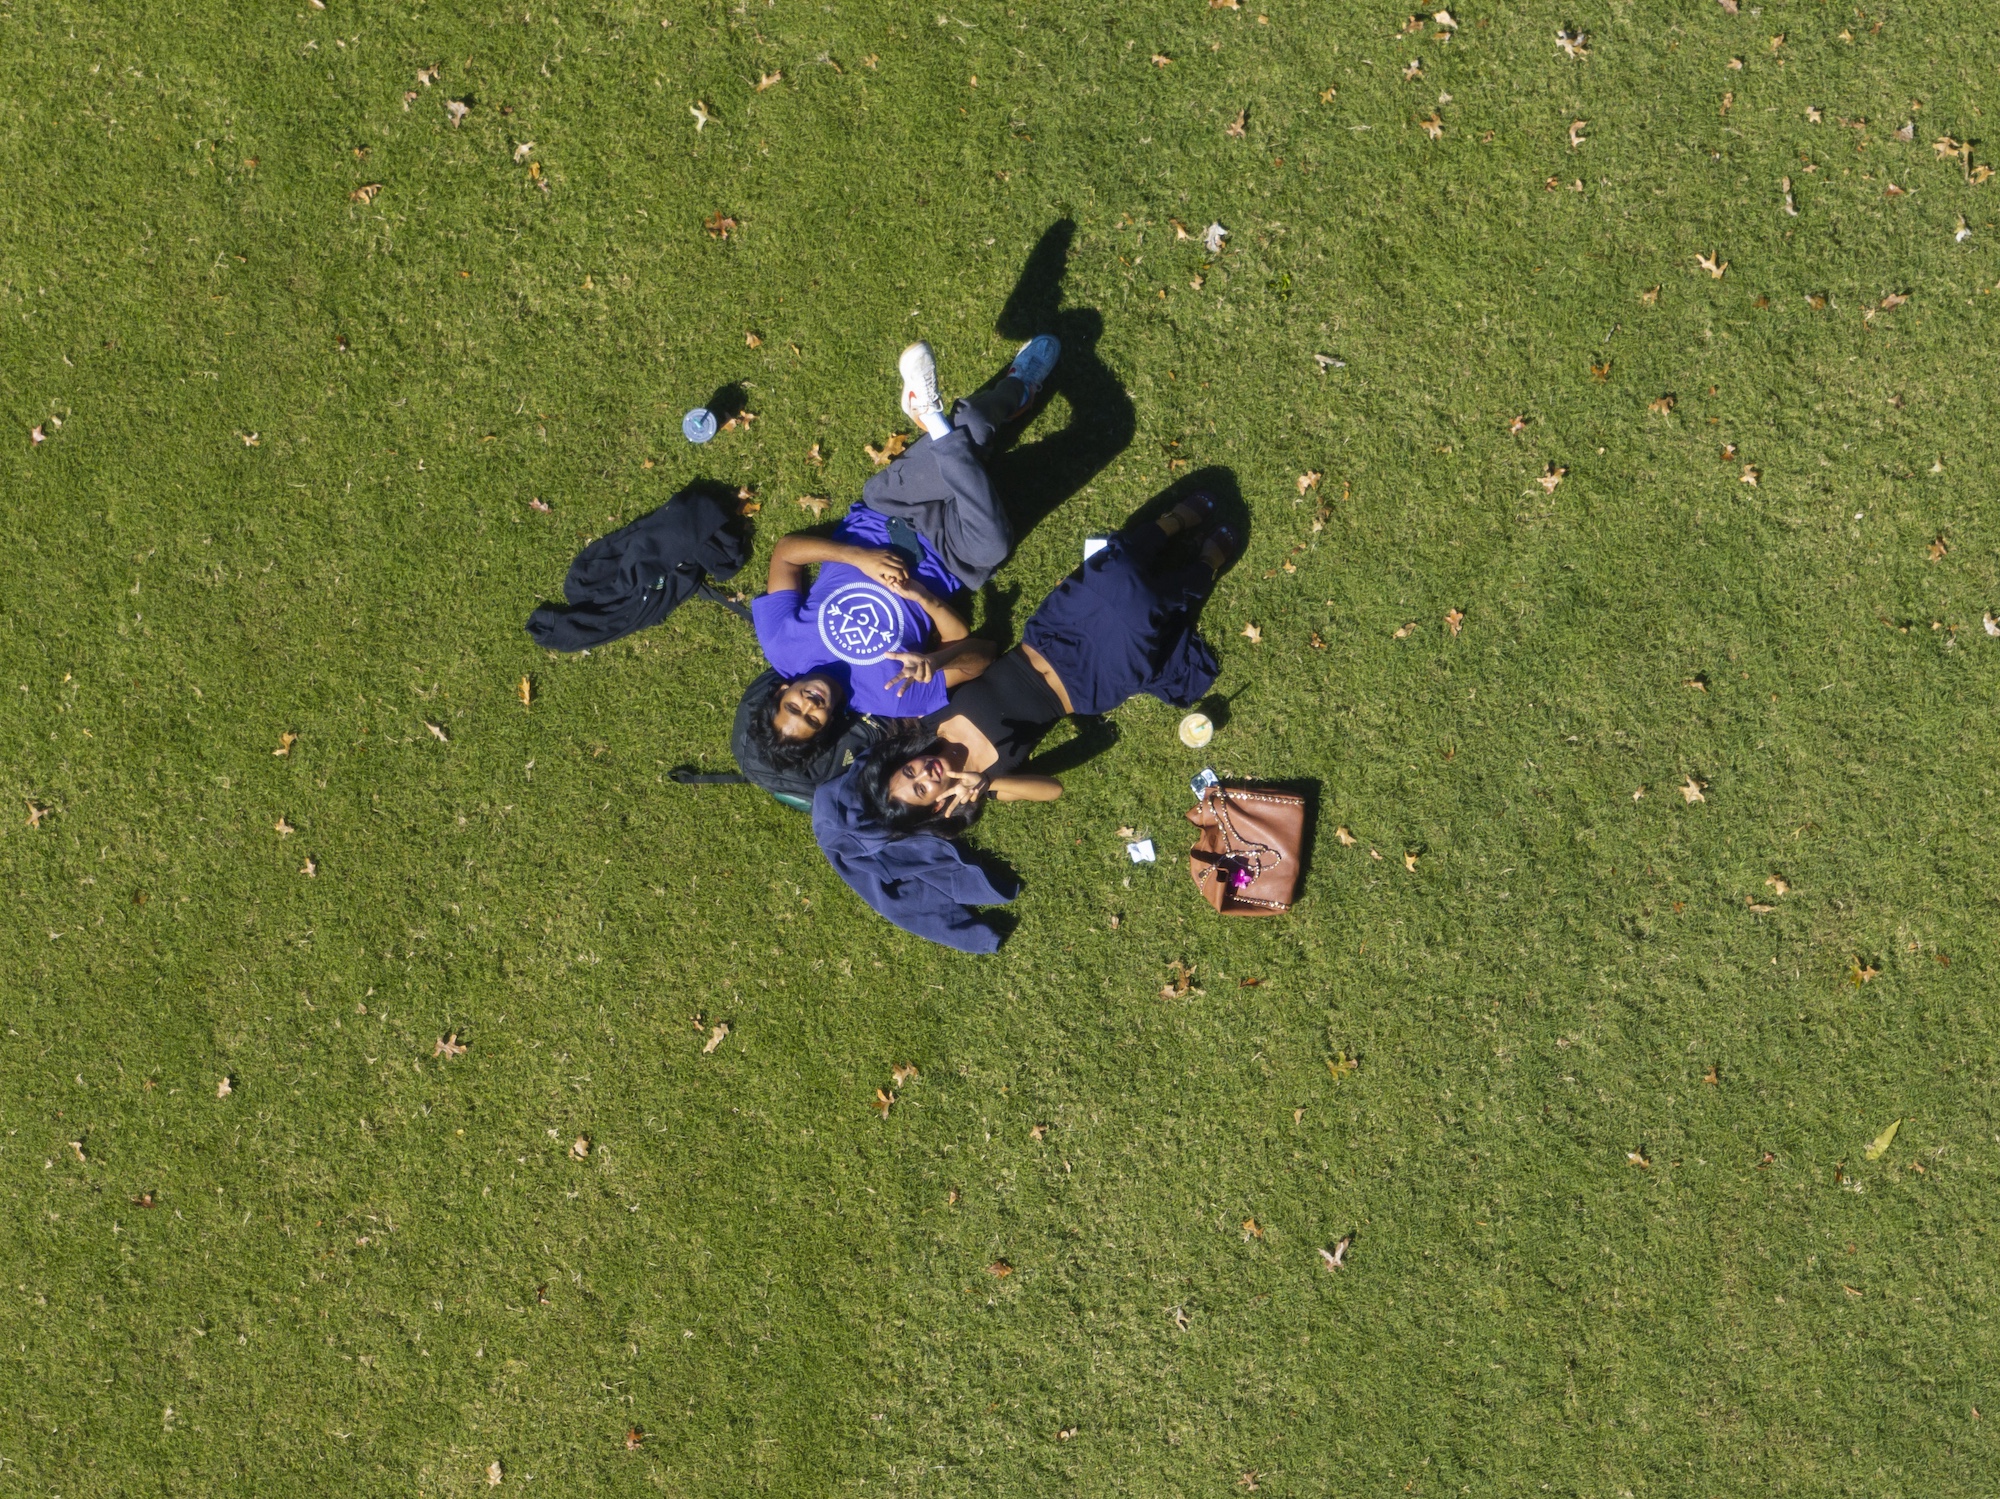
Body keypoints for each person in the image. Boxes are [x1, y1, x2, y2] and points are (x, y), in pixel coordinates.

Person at [738, 335, 1060, 791]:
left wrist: (855, 555)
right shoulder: (894, 701)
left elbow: (787, 552)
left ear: (778, 694)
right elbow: (981, 657)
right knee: (992, 543)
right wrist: (934, 645)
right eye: (812, 719)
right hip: (953, 557)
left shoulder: (781, 644)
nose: (809, 703)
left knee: (978, 428)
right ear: (828, 724)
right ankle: (936, 417)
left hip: (888, 513)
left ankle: (1010, 395)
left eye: (793, 707)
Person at [854, 492, 1239, 834]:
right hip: (1089, 684)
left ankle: (1171, 523)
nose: (923, 772)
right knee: (1146, 611)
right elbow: (1052, 790)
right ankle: (1205, 565)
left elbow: (984, 653)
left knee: (1116, 571)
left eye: (909, 771)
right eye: (921, 788)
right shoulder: (980, 789)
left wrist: (938, 660)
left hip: (1049, 637)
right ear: (937, 805)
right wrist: (987, 785)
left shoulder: (928, 720)